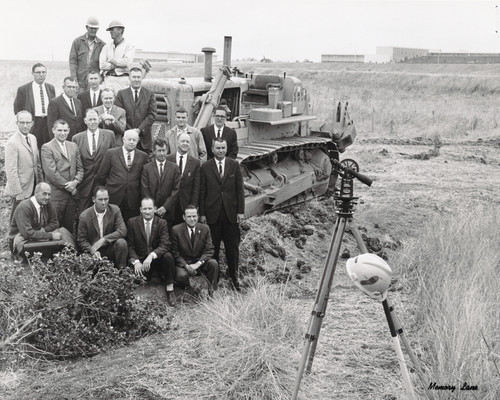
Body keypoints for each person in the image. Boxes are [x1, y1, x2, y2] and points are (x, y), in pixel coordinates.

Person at [200, 139, 245, 290]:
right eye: (217, 148)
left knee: (232, 248)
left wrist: (240, 211)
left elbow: (240, 190)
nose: (220, 150)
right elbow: (202, 192)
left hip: (230, 214)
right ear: (212, 149)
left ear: (226, 149)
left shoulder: (234, 165)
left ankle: (234, 278)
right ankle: (214, 280)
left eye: (223, 148)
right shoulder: (206, 167)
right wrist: (203, 214)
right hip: (212, 215)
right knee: (214, 249)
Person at [127, 197, 176, 306]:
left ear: (155, 209)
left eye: (150, 208)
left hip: (156, 259)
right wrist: (136, 262)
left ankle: (170, 289)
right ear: (140, 209)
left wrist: (151, 256)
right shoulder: (132, 222)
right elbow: (130, 246)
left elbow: (165, 244)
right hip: (141, 260)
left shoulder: (162, 223)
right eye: (145, 209)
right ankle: (148, 278)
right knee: (136, 278)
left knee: (168, 256)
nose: (147, 212)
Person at [9, 182, 75, 259]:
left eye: (49, 194)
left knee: (63, 232)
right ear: (36, 193)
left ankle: (73, 255)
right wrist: (50, 236)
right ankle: (20, 257)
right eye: (44, 194)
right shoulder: (24, 207)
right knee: (56, 243)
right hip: (20, 240)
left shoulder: (46, 203)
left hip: (35, 235)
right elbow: (27, 233)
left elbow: (55, 223)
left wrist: (42, 230)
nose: (47, 197)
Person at [41, 120, 84, 233]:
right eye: (59, 130)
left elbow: (80, 169)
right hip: (56, 196)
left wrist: (75, 182)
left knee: (69, 227)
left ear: (69, 131)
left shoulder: (73, 146)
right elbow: (51, 173)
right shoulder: (47, 147)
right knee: (54, 227)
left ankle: (69, 250)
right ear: (53, 130)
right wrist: (68, 186)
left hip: (71, 196)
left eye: (65, 130)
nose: (62, 133)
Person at [96, 129, 148, 221]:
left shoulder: (143, 156)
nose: (131, 142)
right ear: (123, 139)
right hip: (114, 197)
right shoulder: (111, 153)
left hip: (133, 199)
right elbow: (101, 176)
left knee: (131, 226)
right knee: (112, 224)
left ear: (138, 141)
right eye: (129, 139)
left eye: (134, 140)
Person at [71, 109, 116, 213]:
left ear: (99, 120)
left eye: (95, 119)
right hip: (84, 183)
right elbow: (74, 164)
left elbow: (114, 159)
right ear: (85, 121)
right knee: (83, 213)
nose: (92, 122)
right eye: (90, 119)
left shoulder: (109, 135)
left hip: (103, 183)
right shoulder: (76, 138)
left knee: (104, 213)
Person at [171, 205, 219, 294]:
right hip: (184, 263)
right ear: (184, 217)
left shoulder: (205, 228)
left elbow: (210, 250)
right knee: (181, 276)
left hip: (199, 261)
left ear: (198, 216)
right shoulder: (176, 230)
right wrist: (186, 266)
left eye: (194, 216)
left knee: (213, 264)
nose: (192, 219)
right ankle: (189, 290)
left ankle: (212, 292)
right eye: (189, 217)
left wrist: (198, 263)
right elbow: (175, 253)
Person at [5, 111, 44, 222]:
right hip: (21, 189)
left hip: (33, 186)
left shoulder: (33, 138)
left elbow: (37, 164)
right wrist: (18, 193)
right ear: (16, 123)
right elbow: (11, 171)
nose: (25, 125)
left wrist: (40, 183)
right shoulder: (12, 143)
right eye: (22, 122)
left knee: (30, 218)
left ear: (32, 123)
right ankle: (12, 238)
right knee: (16, 219)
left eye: (28, 122)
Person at [77, 186, 127, 268]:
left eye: (106, 199)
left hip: (110, 248)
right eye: (100, 200)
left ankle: (121, 273)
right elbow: (81, 240)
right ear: (94, 199)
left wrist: (104, 240)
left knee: (122, 243)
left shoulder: (115, 210)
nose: (103, 202)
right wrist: (92, 250)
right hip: (93, 250)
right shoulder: (84, 216)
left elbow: (122, 230)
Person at [13, 63, 56, 149]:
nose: (41, 75)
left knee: (47, 149)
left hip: (47, 123)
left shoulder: (50, 88)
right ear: (32, 73)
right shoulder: (24, 89)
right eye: (38, 72)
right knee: (33, 148)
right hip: (34, 123)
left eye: (44, 72)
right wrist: (26, 122)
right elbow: (17, 108)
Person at [115, 67, 157, 152]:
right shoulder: (121, 94)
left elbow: (152, 115)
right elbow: (119, 115)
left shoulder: (150, 94)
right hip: (126, 138)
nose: (136, 79)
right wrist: (130, 132)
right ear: (129, 78)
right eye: (134, 77)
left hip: (143, 140)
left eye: (138, 77)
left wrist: (139, 130)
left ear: (142, 78)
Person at [140, 138, 180, 228]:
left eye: (164, 150)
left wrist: (165, 207)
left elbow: (176, 190)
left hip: (168, 212)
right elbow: (145, 189)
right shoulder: (147, 168)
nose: (162, 153)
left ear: (167, 150)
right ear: (154, 151)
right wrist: (152, 207)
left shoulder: (174, 168)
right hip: (151, 212)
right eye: (159, 151)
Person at [166, 132, 200, 225]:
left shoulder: (195, 162)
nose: (185, 143)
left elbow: (196, 187)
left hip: (186, 205)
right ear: (177, 143)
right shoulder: (168, 159)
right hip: (169, 206)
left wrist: (193, 206)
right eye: (183, 141)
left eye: (187, 141)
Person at [69, 17, 105, 92]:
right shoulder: (77, 42)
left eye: (95, 28)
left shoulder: (102, 45)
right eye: (91, 28)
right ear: (86, 27)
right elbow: (73, 62)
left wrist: (101, 78)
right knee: (79, 102)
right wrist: (74, 80)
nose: (93, 30)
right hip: (80, 81)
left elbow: (104, 65)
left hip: (94, 82)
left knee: (93, 102)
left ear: (98, 29)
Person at [99, 20, 135, 91]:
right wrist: (116, 64)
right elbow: (102, 65)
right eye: (110, 30)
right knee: (108, 100)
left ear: (120, 30)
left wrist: (111, 60)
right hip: (108, 79)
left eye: (112, 29)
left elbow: (126, 62)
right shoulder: (106, 47)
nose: (110, 32)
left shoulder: (129, 46)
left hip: (122, 79)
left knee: (122, 101)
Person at [47, 77, 84, 141]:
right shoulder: (55, 102)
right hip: (63, 139)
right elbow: (51, 125)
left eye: (74, 87)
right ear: (63, 87)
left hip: (77, 139)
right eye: (69, 87)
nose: (72, 89)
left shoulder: (78, 102)